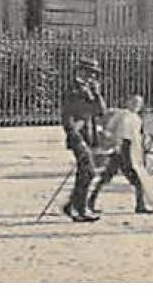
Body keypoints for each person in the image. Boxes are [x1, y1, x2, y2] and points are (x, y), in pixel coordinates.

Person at [89, 94, 153, 215]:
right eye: (133, 102)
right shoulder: (121, 114)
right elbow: (110, 129)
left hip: (128, 150)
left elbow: (136, 138)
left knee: (112, 177)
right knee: (112, 177)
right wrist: (110, 141)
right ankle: (90, 202)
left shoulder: (137, 119)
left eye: (138, 104)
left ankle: (90, 202)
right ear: (128, 102)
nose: (135, 105)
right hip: (120, 148)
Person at [59, 57, 106, 223]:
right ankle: (79, 207)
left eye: (94, 74)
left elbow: (100, 111)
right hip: (78, 135)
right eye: (89, 73)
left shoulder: (90, 90)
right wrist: (74, 135)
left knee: (84, 172)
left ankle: (74, 205)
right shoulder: (72, 91)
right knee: (89, 171)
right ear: (80, 72)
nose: (92, 77)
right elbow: (68, 116)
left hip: (89, 135)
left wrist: (97, 94)